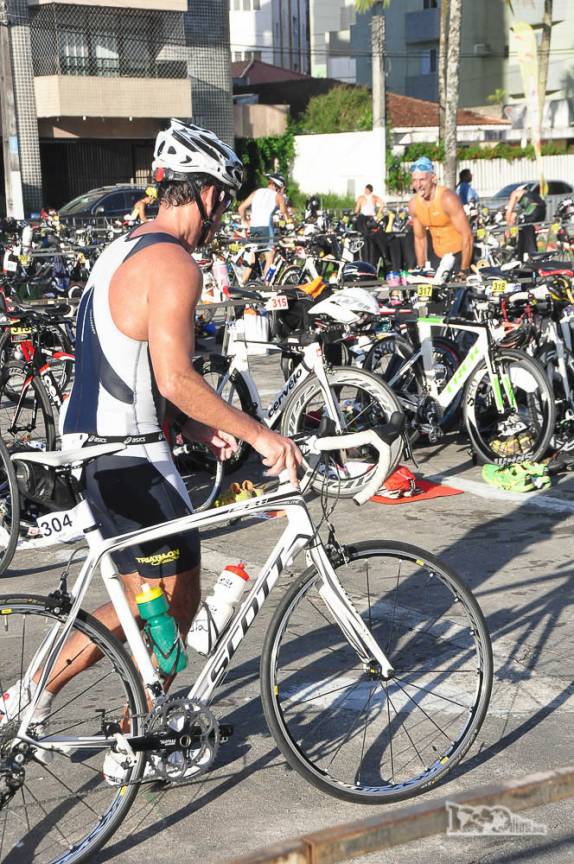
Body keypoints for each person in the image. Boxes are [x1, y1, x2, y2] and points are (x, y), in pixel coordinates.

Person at [2, 119, 302, 780]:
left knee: (146, 602)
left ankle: (29, 695)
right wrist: (261, 434)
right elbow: (174, 376)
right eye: (221, 197)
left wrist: (191, 427)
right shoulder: (174, 262)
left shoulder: (122, 249)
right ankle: (138, 748)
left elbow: (123, 360)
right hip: (132, 457)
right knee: (176, 603)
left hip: (99, 451)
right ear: (208, 196)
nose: (221, 212)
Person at [408, 156, 473, 275]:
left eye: (422, 180)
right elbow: (420, 238)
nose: (418, 185)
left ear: (433, 178)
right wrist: (421, 267)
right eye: (415, 180)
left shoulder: (447, 199)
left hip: (459, 255)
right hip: (438, 256)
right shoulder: (414, 204)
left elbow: (467, 235)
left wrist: (464, 269)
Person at [237, 172, 289, 277]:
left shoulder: (256, 192)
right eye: (283, 188)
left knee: (253, 257)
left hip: (254, 228)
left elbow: (241, 208)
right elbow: (285, 216)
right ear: (279, 186)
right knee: (270, 257)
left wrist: (245, 221)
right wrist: (291, 223)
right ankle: (266, 286)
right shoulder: (278, 196)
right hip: (266, 229)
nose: (283, 191)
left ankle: (242, 284)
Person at [505, 183, 546, 260]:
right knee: (523, 227)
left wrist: (507, 228)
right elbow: (516, 215)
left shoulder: (515, 193)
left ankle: (532, 254)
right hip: (542, 210)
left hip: (534, 209)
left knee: (526, 228)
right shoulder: (529, 194)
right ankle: (522, 255)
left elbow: (509, 211)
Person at [354, 184, 385, 267]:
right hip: (372, 219)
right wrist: (378, 213)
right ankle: (372, 262)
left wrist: (356, 214)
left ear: (366, 190)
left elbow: (356, 210)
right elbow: (382, 204)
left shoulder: (361, 198)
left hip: (364, 219)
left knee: (365, 239)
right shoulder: (374, 197)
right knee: (372, 240)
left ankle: (365, 260)